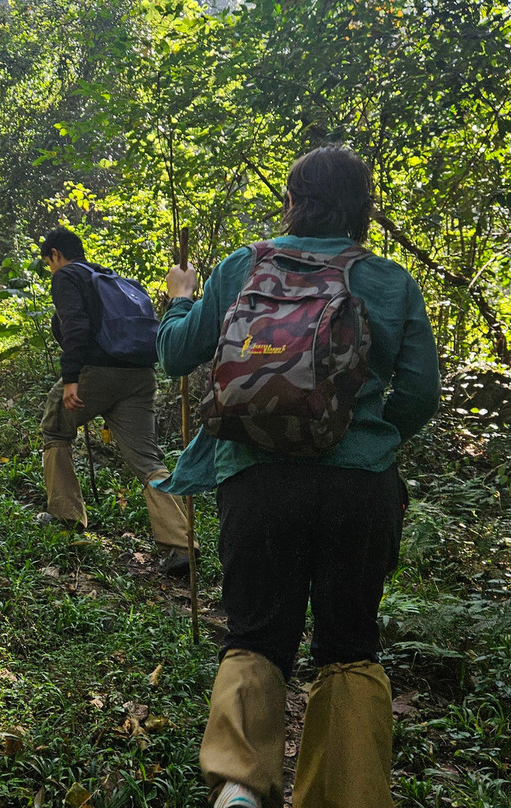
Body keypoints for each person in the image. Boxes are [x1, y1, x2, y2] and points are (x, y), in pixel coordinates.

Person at [156, 145, 440, 808]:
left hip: (256, 483)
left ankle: (239, 790)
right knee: (348, 644)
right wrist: (370, 439)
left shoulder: (242, 267)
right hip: (359, 489)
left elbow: (175, 354)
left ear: (292, 199)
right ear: (362, 208)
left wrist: (180, 298)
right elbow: (421, 391)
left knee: (256, 634)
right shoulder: (389, 281)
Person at [38, 226, 192, 576]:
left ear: (56, 256)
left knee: (54, 426)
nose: (51, 269)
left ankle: (66, 517)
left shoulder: (67, 277)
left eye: (49, 263)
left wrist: (72, 380)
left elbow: (75, 326)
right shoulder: (113, 278)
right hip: (140, 374)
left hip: (98, 371)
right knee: (147, 458)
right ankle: (180, 543)